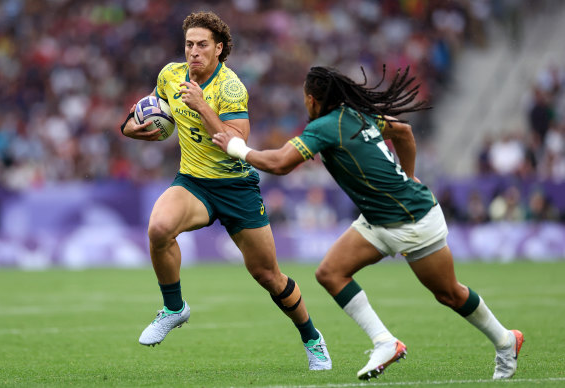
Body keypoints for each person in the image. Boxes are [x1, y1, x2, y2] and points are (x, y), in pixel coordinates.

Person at [213, 66, 524, 380]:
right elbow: (403, 130)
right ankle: (385, 342)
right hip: (379, 219)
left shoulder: (324, 127)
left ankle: (505, 340)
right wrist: (409, 173)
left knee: (449, 294)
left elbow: (279, 164)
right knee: (330, 273)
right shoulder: (357, 115)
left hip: (412, 220)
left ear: (312, 100)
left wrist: (236, 147)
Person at [120, 11, 331, 370]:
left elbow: (236, 142)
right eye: (189, 45)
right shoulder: (170, 76)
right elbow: (147, 113)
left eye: (202, 45)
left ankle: (312, 338)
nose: (194, 52)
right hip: (194, 182)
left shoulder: (230, 87)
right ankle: (174, 308)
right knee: (158, 228)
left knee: (269, 276)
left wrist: (202, 106)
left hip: (236, 187)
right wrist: (130, 128)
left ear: (219, 48)